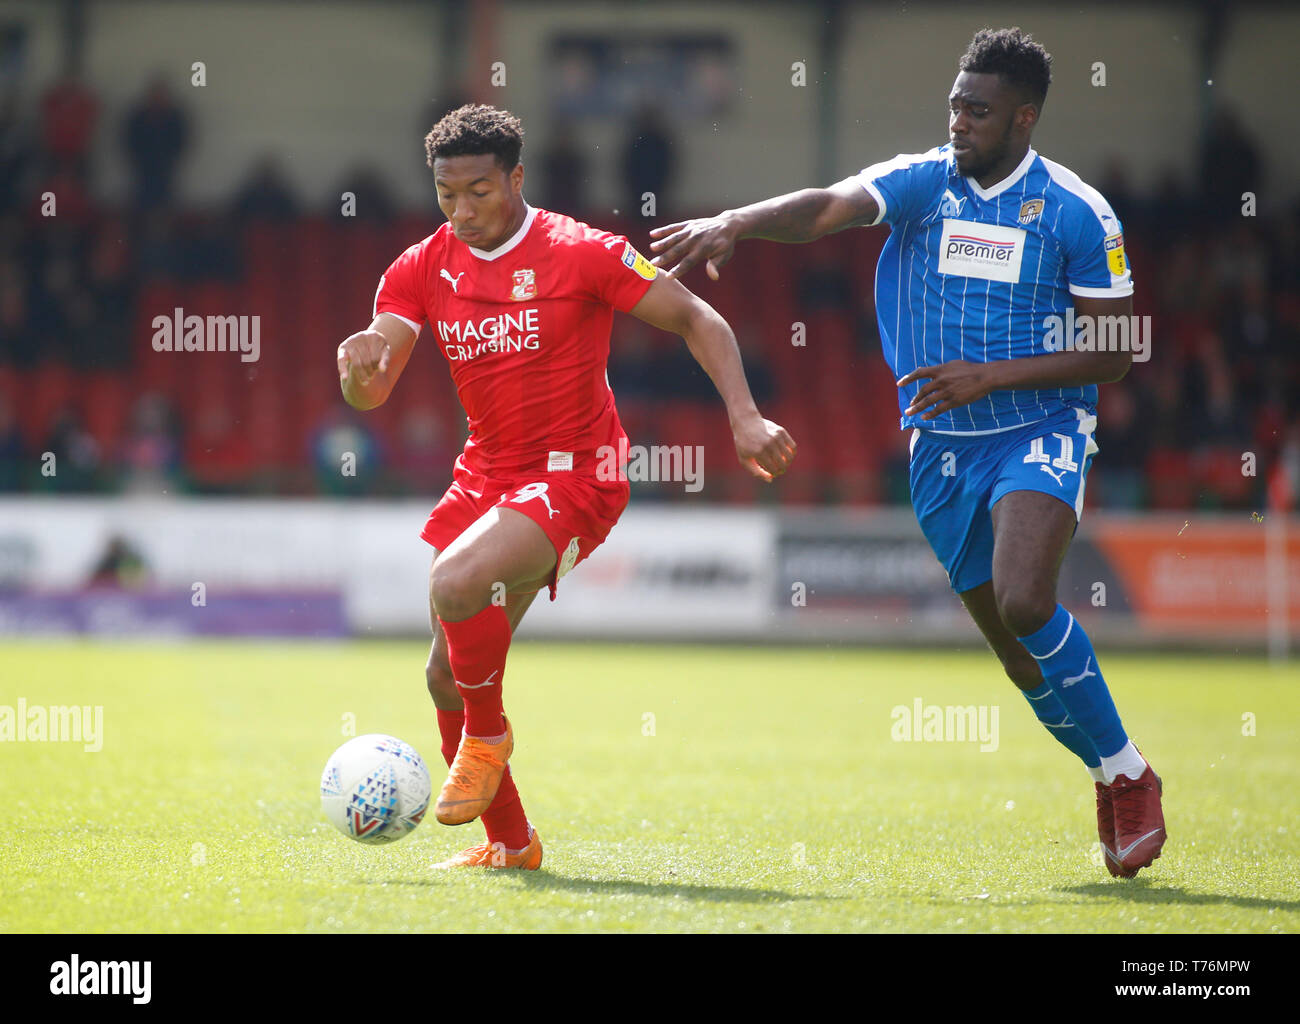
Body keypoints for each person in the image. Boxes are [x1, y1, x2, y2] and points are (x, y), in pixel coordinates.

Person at [649, 27, 1165, 878]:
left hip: (1038, 428)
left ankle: (1129, 778)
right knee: (1012, 649)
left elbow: (1114, 352)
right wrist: (734, 221)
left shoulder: (1077, 211)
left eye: (980, 110)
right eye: (956, 105)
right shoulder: (927, 181)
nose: (960, 121)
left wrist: (990, 378)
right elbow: (825, 208)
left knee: (1028, 601)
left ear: (1024, 119)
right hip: (939, 445)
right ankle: (1111, 768)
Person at [336, 104, 795, 870]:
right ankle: (511, 846)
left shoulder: (580, 252)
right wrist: (358, 372)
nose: (462, 210)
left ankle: (487, 737)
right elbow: (372, 387)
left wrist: (744, 419)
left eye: (479, 191)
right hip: (485, 473)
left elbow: (700, 320)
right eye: (447, 194)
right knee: (443, 673)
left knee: (454, 582)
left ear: (517, 178)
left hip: (577, 472)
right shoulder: (420, 266)